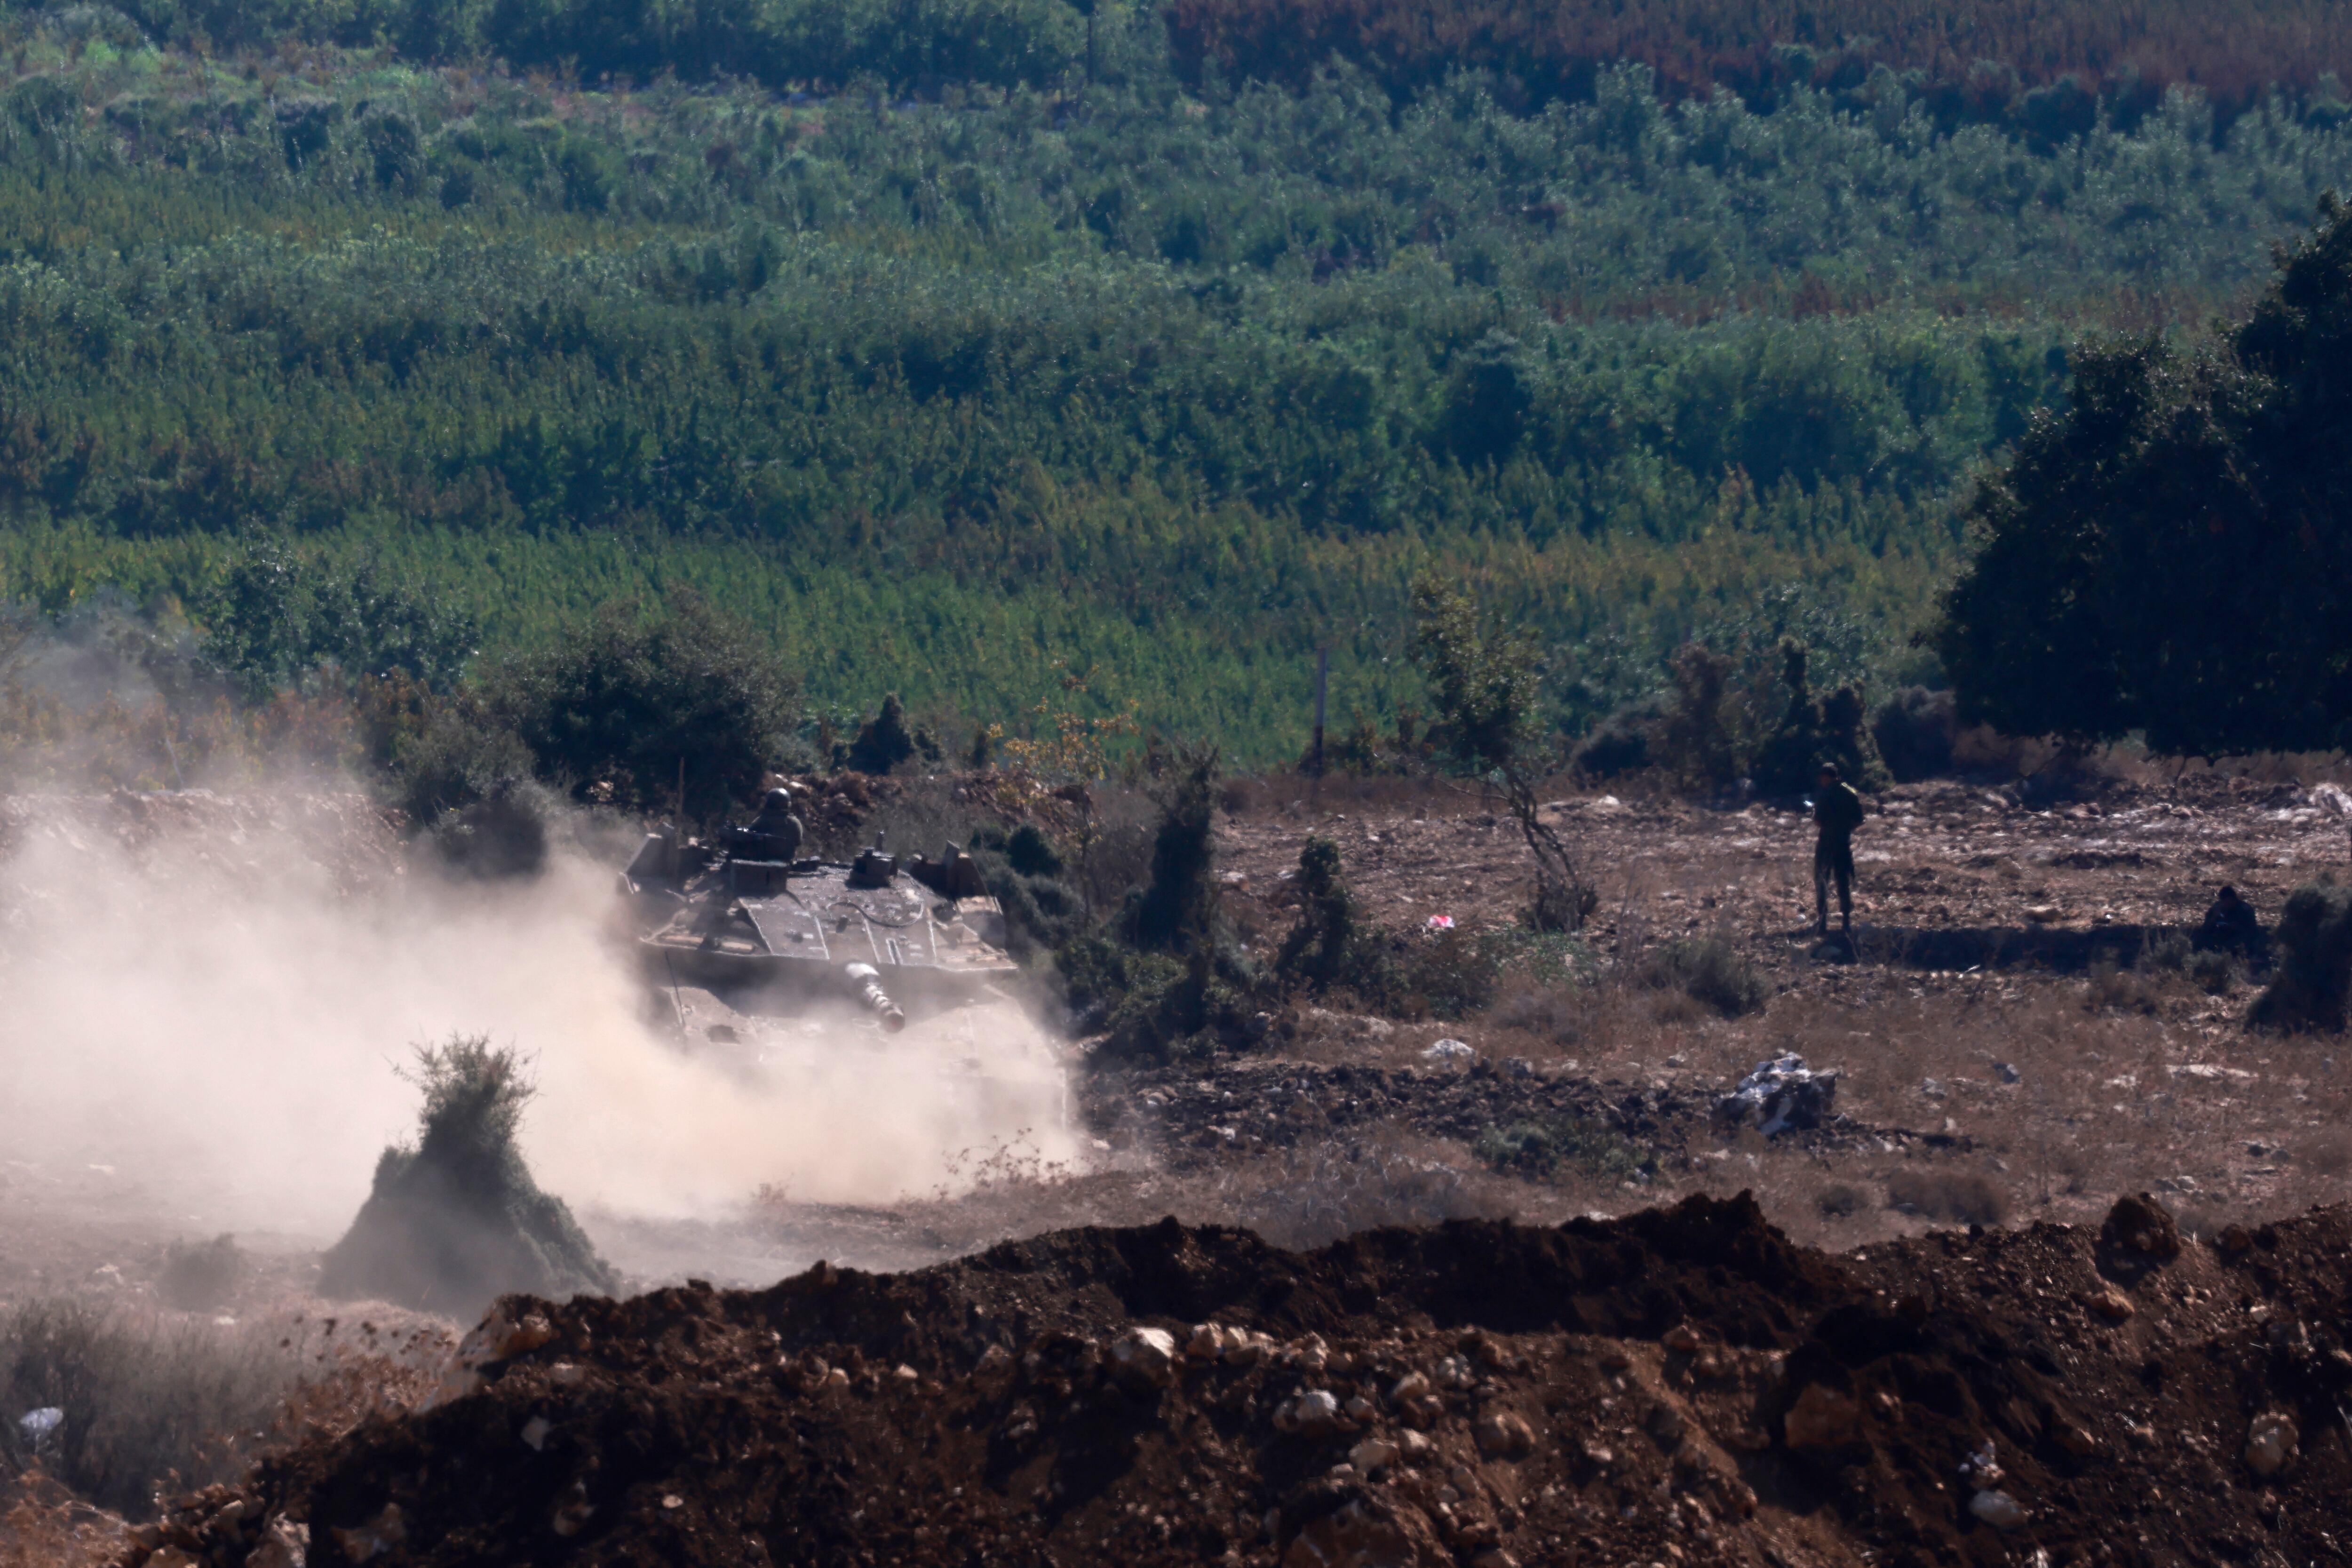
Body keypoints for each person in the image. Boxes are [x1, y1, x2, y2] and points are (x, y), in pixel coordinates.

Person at [1812, 762, 1865, 937]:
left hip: (1826, 843)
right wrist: (1845, 829)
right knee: (1843, 882)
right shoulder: (1851, 793)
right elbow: (1859, 820)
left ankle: (1822, 923)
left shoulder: (1825, 794)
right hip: (1843, 842)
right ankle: (1847, 923)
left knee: (1822, 881)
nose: (1821, 780)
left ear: (1828, 777)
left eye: (1822, 777)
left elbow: (1818, 821)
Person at [743, 787, 805, 862]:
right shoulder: (795, 823)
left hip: (762, 862)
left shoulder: (761, 820)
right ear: (787, 804)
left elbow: (749, 836)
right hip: (787, 863)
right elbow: (798, 842)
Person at [2199, 885, 2264, 955]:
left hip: (2240, 938)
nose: (2225, 905)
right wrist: (2214, 918)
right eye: (2223, 902)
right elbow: (2205, 928)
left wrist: (2237, 928)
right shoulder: (2217, 908)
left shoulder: (2245, 909)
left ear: (2234, 900)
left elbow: (2252, 931)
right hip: (2222, 935)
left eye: (2228, 902)